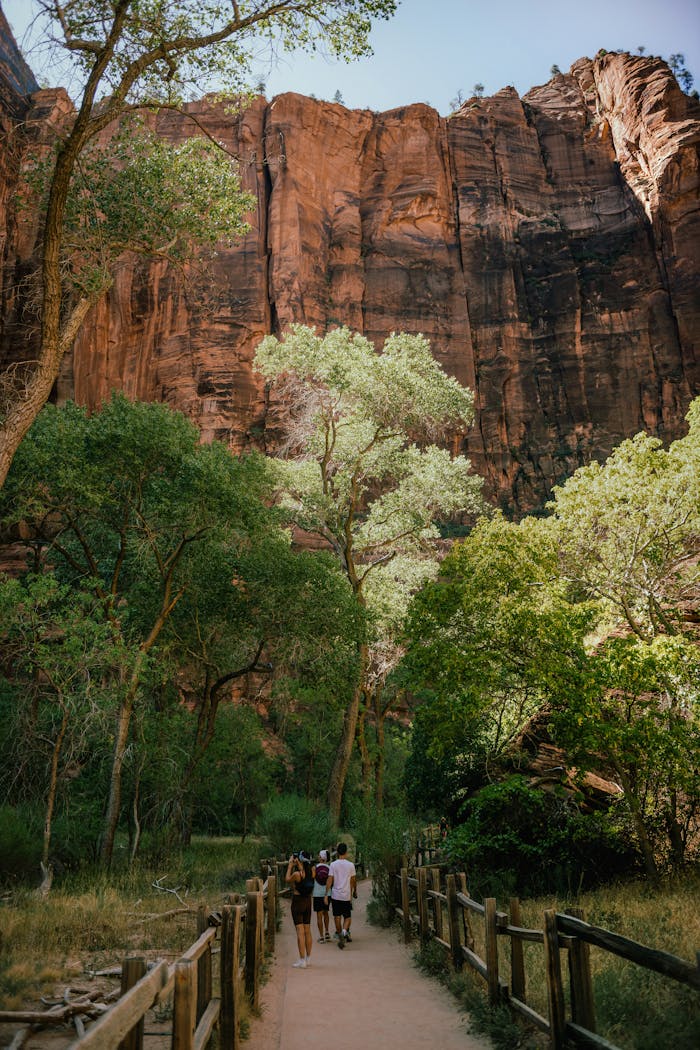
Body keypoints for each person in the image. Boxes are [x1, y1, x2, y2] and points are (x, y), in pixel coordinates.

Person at [285, 850, 315, 968]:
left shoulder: (298, 874)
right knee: (307, 930)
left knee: (300, 932)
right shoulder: (313, 871)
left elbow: (287, 879)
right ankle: (308, 958)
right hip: (308, 901)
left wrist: (290, 865)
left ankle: (302, 960)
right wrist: (299, 864)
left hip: (298, 902)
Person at [324, 842, 356, 949]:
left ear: (337, 852)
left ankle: (339, 934)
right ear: (346, 852)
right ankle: (344, 932)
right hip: (346, 895)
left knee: (336, 917)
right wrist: (354, 891)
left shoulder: (333, 865)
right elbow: (353, 881)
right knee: (347, 917)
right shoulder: (351, 865)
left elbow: (330, 880)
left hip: (335, 895)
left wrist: (325, 894)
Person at [313, 849, 331, 942]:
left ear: (320, 857)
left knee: (319, 915)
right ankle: (327, 932)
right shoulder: (329, 868)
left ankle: (321, 936)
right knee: (326, 913)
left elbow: (313, 877)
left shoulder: (315, 867)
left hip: (317, 893)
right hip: (327, 893)